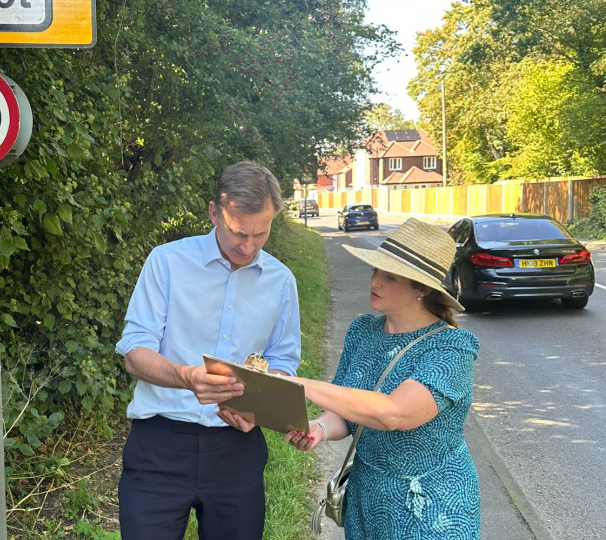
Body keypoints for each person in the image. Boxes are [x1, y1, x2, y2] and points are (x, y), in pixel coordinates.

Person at [115, 161, 301, 540]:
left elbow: (283, 361)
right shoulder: (166, 262)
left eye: (260, 234)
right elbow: (135, 350)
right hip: (158, 447)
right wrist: (186, 377)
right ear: (214, 213)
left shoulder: (281, 281)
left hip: (238, 450)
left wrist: (262, 405)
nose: (247, 247)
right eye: (237, 233)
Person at [285, 218, 480, 540]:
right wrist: (319, 428)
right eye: (375, 271)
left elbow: (394, 413)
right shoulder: (363, 331)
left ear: (423, 289)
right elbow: (346, 409)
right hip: (367, 495)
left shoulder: (452, 347)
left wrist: (303, 384)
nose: (375, 282)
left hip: (431, 504)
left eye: (389, 277)